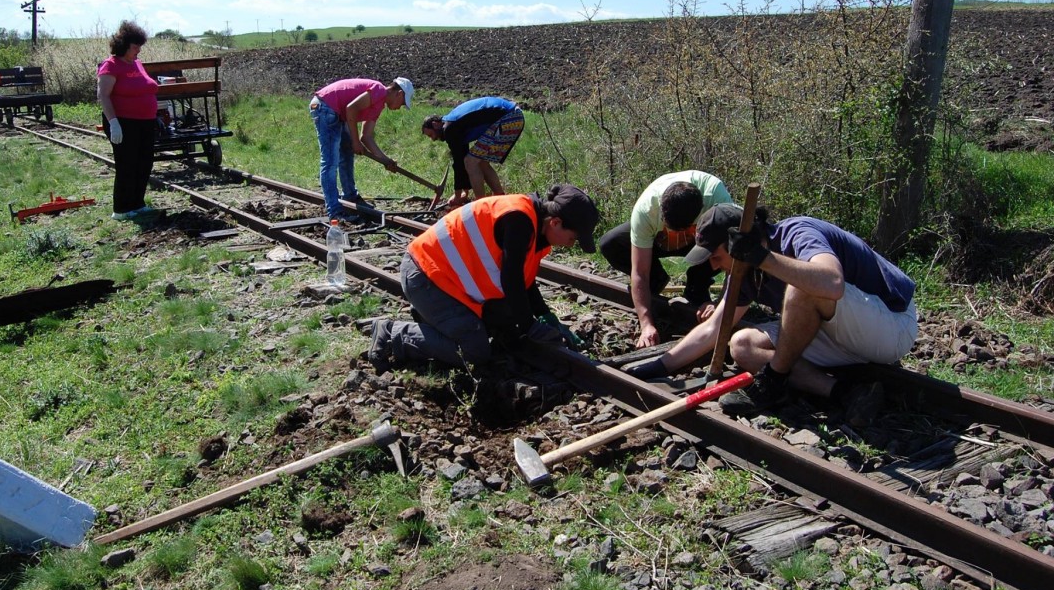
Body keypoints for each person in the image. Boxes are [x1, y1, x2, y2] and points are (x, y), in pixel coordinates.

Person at [640, 203, 918, 425]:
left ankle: (773, 382)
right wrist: (660, 366)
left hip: (890, 326)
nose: (713, 265)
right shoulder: (742, 273)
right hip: (840, 337)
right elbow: (715, 327)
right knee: (742, 345)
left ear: (741, 241)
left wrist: (763, 258)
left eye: (716, 255)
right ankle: (845, 393)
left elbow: (831, 283)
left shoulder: (798, 232)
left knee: (801, 286)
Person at [367, 183, 600, 369]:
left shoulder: (537, 227)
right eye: (572, 239)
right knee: (474, 351)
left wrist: (546, 316)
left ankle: (433, 319)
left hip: (444, 281)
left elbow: (524, 284)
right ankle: (391, 333)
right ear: (556, 222)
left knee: (506, 325)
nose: (570, 245)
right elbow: (511, 280)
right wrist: (530, 325)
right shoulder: (519, 220)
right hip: (425, 276)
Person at [598, 171, 732, 348]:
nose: (679, 235)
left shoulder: (716, 199)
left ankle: (697, 287)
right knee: (610, 243)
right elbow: (639, 272)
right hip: (659, 240)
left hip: (701, 241)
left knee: (718, 246)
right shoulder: (646, 209)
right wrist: (646, 324)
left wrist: (721, 302)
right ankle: (657, 280)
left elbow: (732, 258)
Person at [310, 77, 413, 221]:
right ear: (399, 94)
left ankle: (350, 196)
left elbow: (366, 137)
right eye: (402, 104)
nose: (399, 107)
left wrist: (386, 160)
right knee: (330, 162)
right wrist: (354, 141)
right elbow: (351, 109)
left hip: (336, 112)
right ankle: (334, 211)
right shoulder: (378, 90)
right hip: (325, 106)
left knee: (346, 155)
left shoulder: (378, 106)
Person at [97, 21, 160, 221]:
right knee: (127, 163)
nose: (138, 51)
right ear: (124, 45)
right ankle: (122, 208)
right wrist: (113, 122)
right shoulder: (111, 65)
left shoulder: (137, 64)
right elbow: (104, 95)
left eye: (140, 47)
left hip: (145, 121)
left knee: (144, 163)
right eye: (135, 47)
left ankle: (137, 204)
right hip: (123, 122)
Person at [421, 96, 525, 206]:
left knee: (470, 161)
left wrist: (457, 196)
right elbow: (461, 157)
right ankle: (500, 198)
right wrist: (464, 193)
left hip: (508, 118)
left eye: (431, 135)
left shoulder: (449, 129)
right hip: (514, 116)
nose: (433, 139)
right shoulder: (454, 124)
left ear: (435, 124)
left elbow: (459, 163)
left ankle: (480, 205)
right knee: (480, 162)